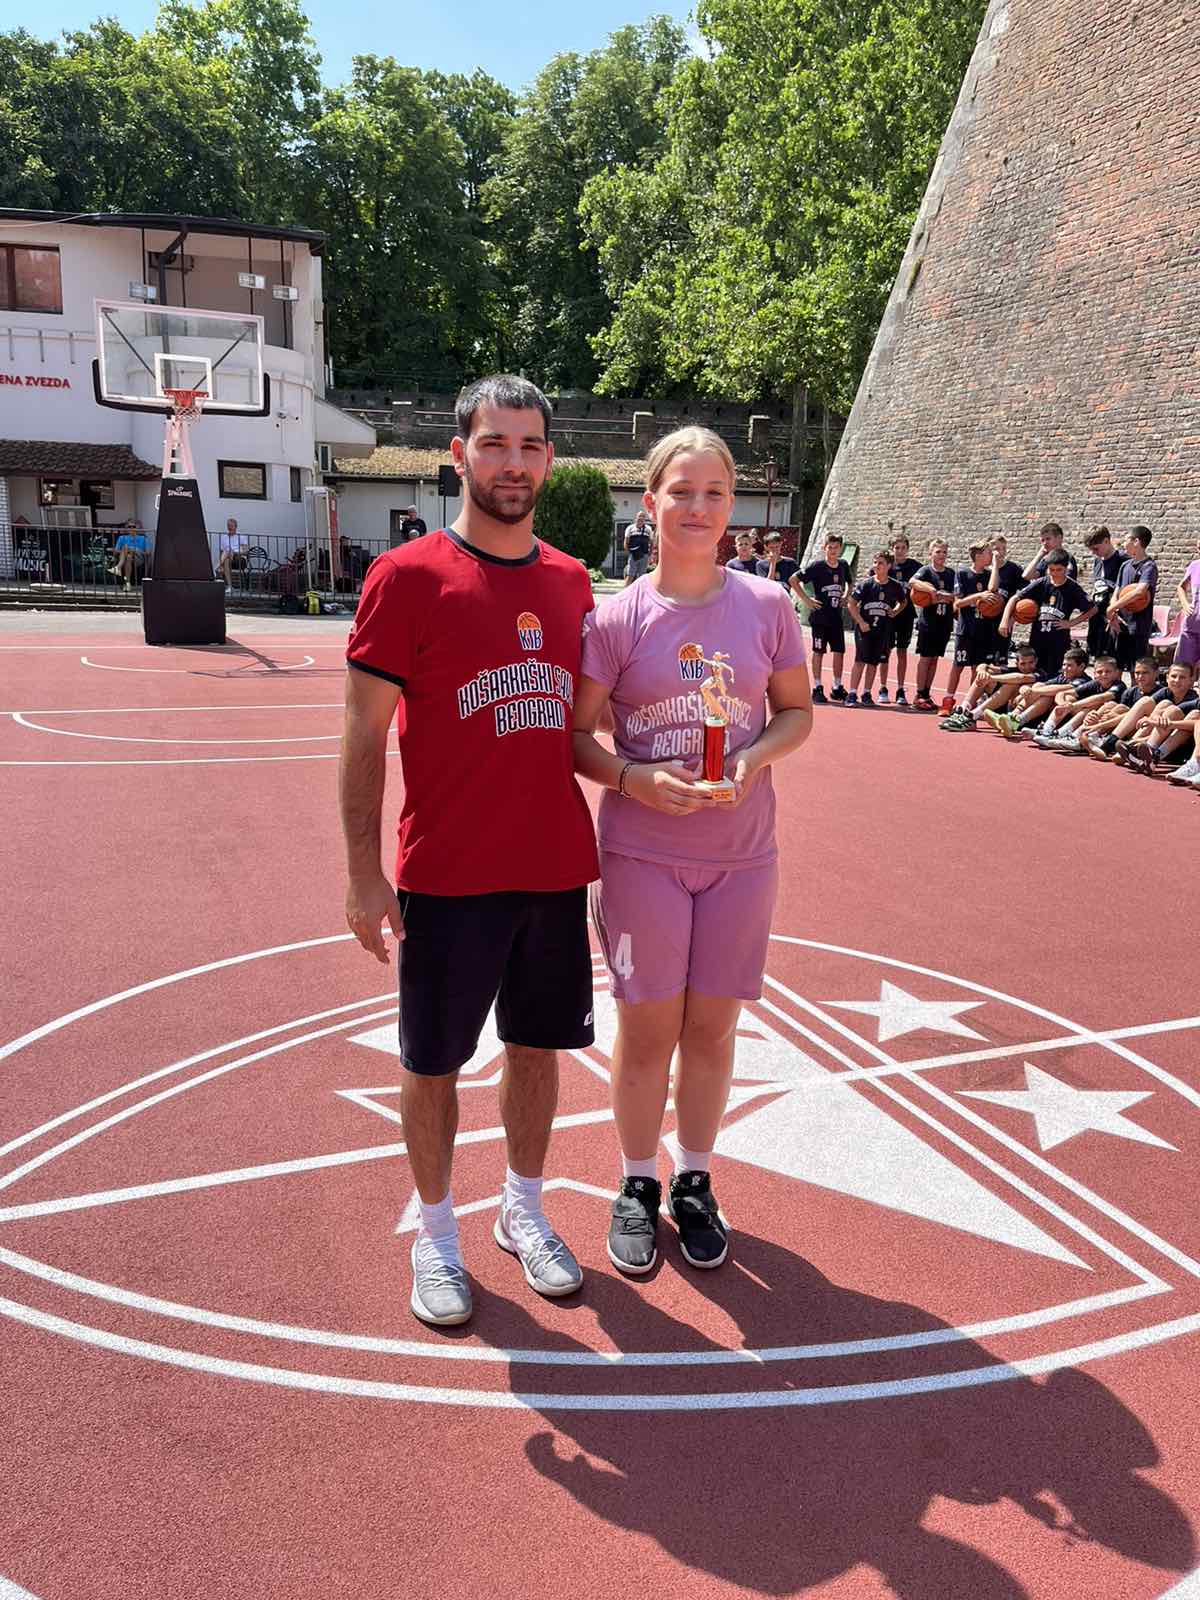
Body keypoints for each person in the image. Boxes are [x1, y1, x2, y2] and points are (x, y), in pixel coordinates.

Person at [339, 374, 596, 1328]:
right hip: (447, 874)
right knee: (434, 1063)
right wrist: (362, 873)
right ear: (459, 454)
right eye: (495, 444)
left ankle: (522, 1210)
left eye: (529, 446)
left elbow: (586, 726)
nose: (513, 464)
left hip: (553, 868)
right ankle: (438, 1234)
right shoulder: (405, 577)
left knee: (538, 1050)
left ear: (549, 461)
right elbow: (363, 734)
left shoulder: (572, 583)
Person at [572, 425, 812, 1275]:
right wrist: (633, 778)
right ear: (651, 502)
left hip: (741, 853)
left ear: (732, 505)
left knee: (712, 1030)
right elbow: (577, 738)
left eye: (714, 493)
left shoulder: (767, 606)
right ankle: (638, 1180)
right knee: (647, 1031)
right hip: (642, 853)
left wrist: (754, 758)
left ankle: (695, 1179)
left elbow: (796, 714)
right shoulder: (617, 617)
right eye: (682, 491)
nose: (698, 508)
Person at [1001, 552, 1095, 680]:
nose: (1054, 573)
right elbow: (1014, 598)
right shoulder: (1041, 583)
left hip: (1059, 641)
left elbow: (1093, 609)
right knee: (1034, 675)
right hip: (1037, 639)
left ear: (1066, 568)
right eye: (1051, 569)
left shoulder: (1072, 587)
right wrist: (1005, 620)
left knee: (1055, 676)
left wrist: (1071, 623)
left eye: (1058, 570)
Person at [984, 646, 1092, 738]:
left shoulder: (1085, 681)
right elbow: (1041, 685)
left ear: (1082, 666)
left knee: (1049, 695)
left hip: (1063, 719)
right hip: (1040, 715)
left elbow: (1062, 689)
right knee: (1038, 688)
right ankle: (1013, 717)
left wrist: (1036, 691)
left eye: (1069, 665)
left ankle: (1015, 721)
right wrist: (1026, 689)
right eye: (1064, 665)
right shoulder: (1062, 676)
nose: (1065, 668)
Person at [846, 549, 907, 706]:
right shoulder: (866, 584)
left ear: (889, 566)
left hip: (882, 629)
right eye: (875, 562)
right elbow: (851, 604)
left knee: (873, 662)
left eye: (880, 563)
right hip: (865, 629)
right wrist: (861, 622)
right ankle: (852, 693)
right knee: (860, 660)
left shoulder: (895, 586)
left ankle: (866, 693)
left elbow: (903, 601)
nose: (876, 565)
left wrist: (895, 611)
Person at [797, 533, 853, 703]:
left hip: (836, 617)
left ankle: (837, 687)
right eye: (830, 547)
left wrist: (846, 596)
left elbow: (850, 582)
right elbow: (794, 579)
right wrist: (807, 600)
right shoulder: (818, 566)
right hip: (820, 617)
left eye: (836, 547)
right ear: (824, 548)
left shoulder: (843, 565)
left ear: (840, 549)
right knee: (818, 652)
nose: (833, 550)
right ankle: (817, 687)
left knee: (839, 652)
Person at [1113, 660, 1198, 772]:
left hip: (1178, 748)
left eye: (1182, 677)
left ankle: (1147, 751)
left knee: (1174, 712)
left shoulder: (1193, 699)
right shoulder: (1165, 692)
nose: (1177, 680)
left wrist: (1164, 724)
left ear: (1191, 680)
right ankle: (1133, 748)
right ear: (1167, 678)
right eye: (1174, 676)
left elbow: (1195, 724)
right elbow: (1151, 713)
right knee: (1162, 704)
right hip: (1158, 738)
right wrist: (1153, 719)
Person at [940, 642, 1041, 731]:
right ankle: (964, 709)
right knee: (983, 676)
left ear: (1036, 661)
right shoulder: (1014, 669)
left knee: (1011, 684)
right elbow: (984, 666)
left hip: (1017, 712)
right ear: (1017, 663)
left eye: (1031, 663)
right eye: (1023, 664)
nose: (1027, 667)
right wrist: (982, 671)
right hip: (1001, 707)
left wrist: (991, 678)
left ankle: (972, 716)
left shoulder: (1040, 673)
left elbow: (1021, 677)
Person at [946, 542, 999, 706]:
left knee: (978, 668)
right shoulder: (962, 573)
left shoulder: (990, 575)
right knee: (958, 666)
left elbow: (993, 589)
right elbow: (957, 603)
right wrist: (978, 596)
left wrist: (996, 565)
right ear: (978, 556)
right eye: (989, 553)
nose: (991, 555)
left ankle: (970, 703)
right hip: (966, 629)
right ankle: (948, 700)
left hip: (984, 629)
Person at [1033, 654, 1125, 748]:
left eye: (1108, 671)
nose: (1104, 674)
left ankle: (1069, 735)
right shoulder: (1094, 684)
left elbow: (1101, 698)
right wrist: (1064, 705)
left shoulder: (1119, 685)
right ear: (1094, 674)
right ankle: (1047, 730)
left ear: (1116, 673)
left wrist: (1072, 706)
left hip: (1110, 720)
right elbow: (1061, 693)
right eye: (1099, 672)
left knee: (1095, 705)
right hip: (1092, 717)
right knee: (1069, 699)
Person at [911, 538, 956, 710]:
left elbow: (957, 594)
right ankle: (919, 694)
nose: (941, 555)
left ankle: (926, 693)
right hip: (928, 622)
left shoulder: (951, 574)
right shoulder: (926, 571)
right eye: (938, 552)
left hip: (944, 622)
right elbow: (912, 582)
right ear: (930, 553)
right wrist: (931, 590)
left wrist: (945, 596)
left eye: (944, 552)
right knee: (925, 658)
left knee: (935, 659)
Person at [1106, 526, 1158, 672]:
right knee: (1116, 667)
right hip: (1120, 622)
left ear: (1136, 541)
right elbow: (1117, 592)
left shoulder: (1149, 566)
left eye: (1126, 540)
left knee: (1136, 669)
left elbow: (1140, 591)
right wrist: (1113, 613)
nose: (1123, 544)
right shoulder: (1124, 565)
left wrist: (1112, 607)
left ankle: (1135, 687)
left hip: (1138, 625)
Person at [878, 533, 921, 704]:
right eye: (897, 547)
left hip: (906, 614)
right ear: (892, 549)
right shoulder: (886, 566)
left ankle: (900, 689)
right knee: (885, 651)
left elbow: (926, 580)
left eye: (903, 548)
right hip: (887, 615)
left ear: (908, 549)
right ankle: (883, 687)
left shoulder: (916, 567)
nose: (900, 551)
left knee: (902, 652)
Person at [1085, 528, 1124, 659]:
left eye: (1096, 548)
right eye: (1091, 549)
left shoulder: (1123, 560)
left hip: (1114, 614)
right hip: (1097, 614)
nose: (1093, 552)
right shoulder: (1098, 561)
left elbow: (1126, 589)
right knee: (1096, 654)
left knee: (1113, 657)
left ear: (1107, 541)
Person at [1174, 537, 1200, 671]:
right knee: (1183, 668)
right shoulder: (1194, 566)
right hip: (1191, 626)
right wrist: (1185, 604)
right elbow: (1181, 587)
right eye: (1199, 548)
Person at [108, 519, 149, 589]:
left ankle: (118, 567)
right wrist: (126, 551)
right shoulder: (121, 538)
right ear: (126, 528)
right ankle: (127, 583)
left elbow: (148, 553)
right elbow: (116, 552)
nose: (131, 528)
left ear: (137, 528)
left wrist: (135, 550)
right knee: (128, 556)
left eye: (134, 526)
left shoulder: (143, 538)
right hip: (125, 557)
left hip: (138, 557)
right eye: (129, 527)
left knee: (126, 547)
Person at [623, 511, 653, 584]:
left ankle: (640, 591)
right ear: (636, 518)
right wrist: (629, 552)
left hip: (644, 555)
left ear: (645, 519)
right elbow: (626, 541)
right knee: (630, 575)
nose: (641, 518)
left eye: (643, 516)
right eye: (640, 516)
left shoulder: (648, 528)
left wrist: (650, 553)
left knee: (642, 576)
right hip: (633, 555)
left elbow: (651, 542)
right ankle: (626, 590)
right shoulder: (630, 528)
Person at [217, 518, 249, 586]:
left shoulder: (241, 537)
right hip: (228, 559)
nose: (230, 527)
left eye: (231, 526)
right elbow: (221, 552)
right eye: (228, 526)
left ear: (235, 527)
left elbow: (246, 552)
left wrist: (234, 553)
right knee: (226, 560)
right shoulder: (224, 537)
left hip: (239, 559)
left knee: (229, 552)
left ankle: (219, 566)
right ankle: (230, 586)